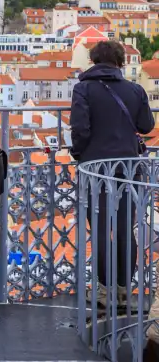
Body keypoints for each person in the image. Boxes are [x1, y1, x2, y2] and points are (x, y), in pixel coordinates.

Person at [70, 40, 154, 306]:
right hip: (129, 167)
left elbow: (80, 129)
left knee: (101, 229)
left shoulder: (83, 89)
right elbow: (146, 125)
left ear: (93, 61)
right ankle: (122, 289)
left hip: (96, 168)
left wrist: (80, 154)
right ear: (120, 62)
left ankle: (104, 291)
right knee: (125, 229)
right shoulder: (136, 89)